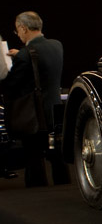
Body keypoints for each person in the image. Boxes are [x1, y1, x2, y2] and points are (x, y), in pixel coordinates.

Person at [0, 12, 68, 187]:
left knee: (34, 155)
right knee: (57, 154)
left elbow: (11, 84)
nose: (18, 34)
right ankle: (63, 184)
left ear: (23, 28)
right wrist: (21, 55)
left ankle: (38, 187)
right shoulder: (57, 45)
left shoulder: (26, 54)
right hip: (55, 107)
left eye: (17, 31)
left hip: (36, 113)